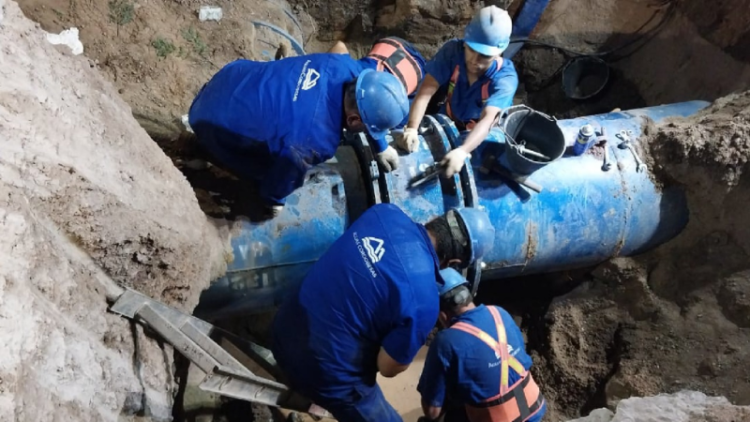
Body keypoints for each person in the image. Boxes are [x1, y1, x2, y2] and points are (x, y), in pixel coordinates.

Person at [271, 203, 495, 422]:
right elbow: (387, 368)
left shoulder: (384, 212)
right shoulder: (424, 302)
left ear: (439, 218)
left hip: (283, 327)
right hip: (322, 369)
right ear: (454, 262)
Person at [187, 54, 408, 217]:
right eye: (369, 129)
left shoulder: (343, 65)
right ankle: (209, 156)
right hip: (208, 119)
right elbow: (285, 174)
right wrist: (275, 200)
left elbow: (366, 77)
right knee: (274, 169)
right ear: (353, 121)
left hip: (233, 75)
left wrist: (381, 145)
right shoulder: (317, 140)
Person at [398, 6, 519, 178]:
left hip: (482, 135)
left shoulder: (505, 78)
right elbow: (426, 90)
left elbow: (487, 119)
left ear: (499, 51)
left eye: (484, 56)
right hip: (448, 119)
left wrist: (463, 151)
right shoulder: (453, 52)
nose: (474, 61)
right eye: (471, 49)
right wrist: (411, 128)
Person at [417, 268, 546, 422]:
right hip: (534, 409)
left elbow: (432, 411)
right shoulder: (499, 312)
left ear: (442, 314)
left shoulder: (445, 341)